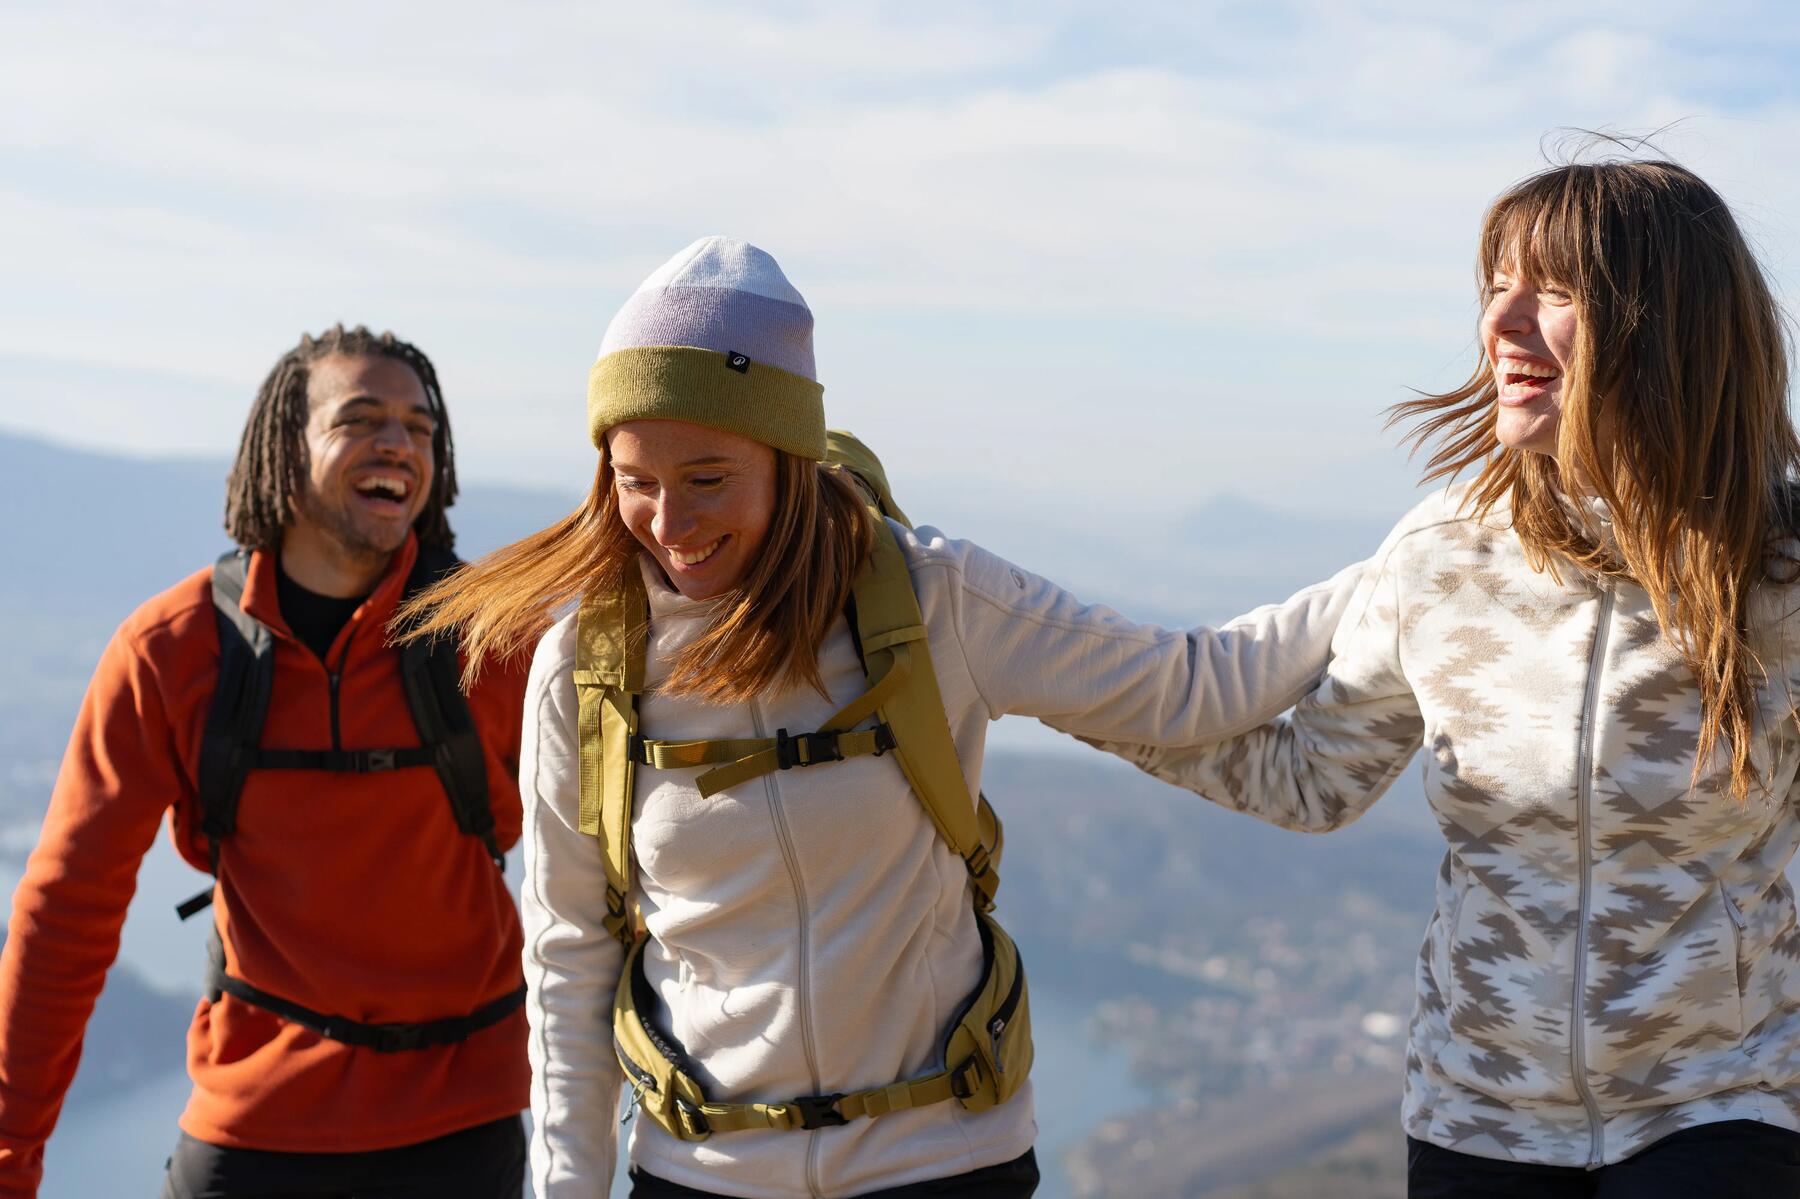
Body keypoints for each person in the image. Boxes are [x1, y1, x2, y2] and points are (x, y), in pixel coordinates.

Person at [401, 236, 1365, 1199]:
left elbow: (1194, 686)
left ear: (788, 457)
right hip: (703, 1173)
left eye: (707, 478)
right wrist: (568, 1187)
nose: (669, 523)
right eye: (634, 480)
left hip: (945, 1165)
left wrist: (1408, 569)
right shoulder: (585, 667)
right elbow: (570, 950)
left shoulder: (930, 595)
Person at [1097, 160, 1800, 1197]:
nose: (1502, 322)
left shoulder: (1779, 572)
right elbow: (1309, 777)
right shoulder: (1446, 551)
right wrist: (1063, 682)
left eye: (1555, 292)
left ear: (1667, 328)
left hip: (1718, 1108)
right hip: (1480, 1118)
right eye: (1496, 287)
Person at [0, 325, 532, 1198]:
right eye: (362, 419)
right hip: (253, 1127)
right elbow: (67, 912)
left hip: (463, 1134)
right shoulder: (170, 654)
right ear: (286, 448)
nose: (399, 442)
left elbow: (621, 861)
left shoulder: (492, 644)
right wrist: (11, 1155)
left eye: (420, 428)